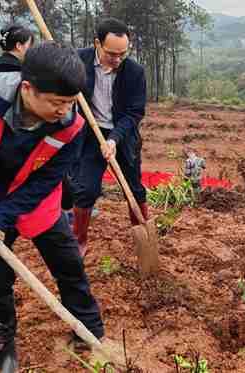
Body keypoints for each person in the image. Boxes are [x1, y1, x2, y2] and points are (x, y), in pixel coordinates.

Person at [0, 42, 104, 372]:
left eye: (70, 102)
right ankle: (3, 343)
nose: (64, 110)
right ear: (27, 88)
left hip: (36, 202)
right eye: (56, 102)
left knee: (68, 265)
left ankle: (89, 330)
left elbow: (46, 180)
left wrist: (4, 216)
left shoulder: (72, 127)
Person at [67, 18, 148, 258]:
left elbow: (135, 112)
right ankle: (79, 241)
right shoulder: (77, 62)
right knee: (85, 189)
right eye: (112, 53)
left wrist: (114, 139)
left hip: (122, 135)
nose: (117, 59)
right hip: (90, 135)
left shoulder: (134, 72)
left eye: (123, 53)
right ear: (97, 44)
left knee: (133, 189)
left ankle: (143, 236)